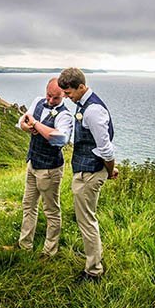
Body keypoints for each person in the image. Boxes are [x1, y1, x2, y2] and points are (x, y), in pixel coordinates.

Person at [57, 68, 117, 282]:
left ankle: (94, 271)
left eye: (69, 93)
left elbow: (106, 148)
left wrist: (110, 171)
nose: (66, 97)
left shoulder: (93, 110)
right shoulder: (85, 105)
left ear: (81, 87)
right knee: (85, 219)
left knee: (87, 221)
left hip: (90, 173)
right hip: (87, 169)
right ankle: (93, 260)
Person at [16, 77, 74, 256]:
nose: (49, 100)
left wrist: (35, 124)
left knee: (51, 210)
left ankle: (50, 251)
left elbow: (60, 138)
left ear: (63, 95)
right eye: (48, 95)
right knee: (28, 205)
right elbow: (21, 122)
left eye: (55, 98)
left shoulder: (65, 115)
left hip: (50, 168)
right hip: (33, 162)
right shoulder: (38, 101)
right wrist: (28, 127)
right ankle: (24, 245)